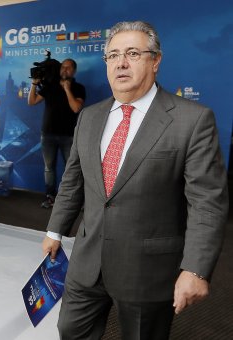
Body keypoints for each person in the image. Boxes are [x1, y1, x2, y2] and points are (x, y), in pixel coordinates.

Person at [41, 21, 228, 339]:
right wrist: (55, 230)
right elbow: (73, 180)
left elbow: (206, 203)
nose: (120, 63)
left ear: (155, 61)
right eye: (112, 55)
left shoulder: (192, 120)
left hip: (147, 271)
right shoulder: (90, 116)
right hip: (87, 263)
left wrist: (195, 268)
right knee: (69, 330)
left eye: (132, 53)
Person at [28, 58, 86, 209]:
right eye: (63, 67)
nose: (65, 69)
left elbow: (76, 108)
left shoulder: (79, 88)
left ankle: (71, 199)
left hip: (69, 136)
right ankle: (50, 197)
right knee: (49, 168)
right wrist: (34, 84)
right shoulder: (50, 86)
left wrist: (67, 89)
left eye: (69, 67)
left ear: (74, 71)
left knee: (71, 168)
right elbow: (32, 101)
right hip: (48, 135)